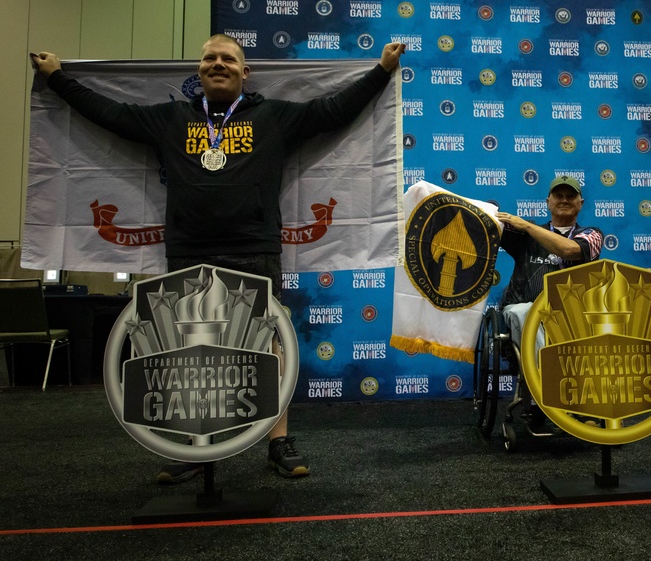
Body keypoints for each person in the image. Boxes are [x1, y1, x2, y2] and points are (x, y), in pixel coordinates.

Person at [31, 35, 405, 479]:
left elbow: (333, 111)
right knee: (192, 350)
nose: (219, 64)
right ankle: (198, 448)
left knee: (269, 344)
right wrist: (56, 79)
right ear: (199, 70)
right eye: (210, 58)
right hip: (190, 248)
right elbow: (108, 114)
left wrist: (381, 70)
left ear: (245, 72)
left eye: (229, 58)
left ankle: (278, 441)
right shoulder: (170, 118)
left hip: (254, 246)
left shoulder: (273, 116)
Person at [495, 176, 604, 426]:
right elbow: (485, 223)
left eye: (570, 196)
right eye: (558, 195)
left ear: (581, 203)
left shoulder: (593, 235)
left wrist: (529, 227)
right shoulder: (522, 234)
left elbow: (570, 251)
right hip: (523, 310)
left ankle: (573, 399)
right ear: (548, 201)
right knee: (527, 312)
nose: (564, 200)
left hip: (573, 321)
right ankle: (544, 394)